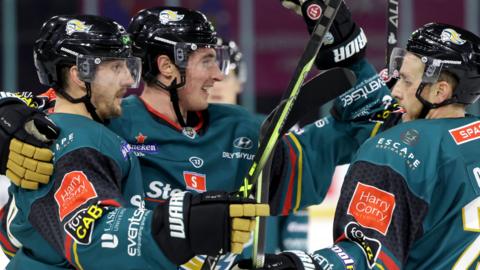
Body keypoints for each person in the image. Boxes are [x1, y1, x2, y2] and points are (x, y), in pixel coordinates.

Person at [2, 3, 399, 269]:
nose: (218, 74)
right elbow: (43, 111)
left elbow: (368, 124)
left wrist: (347, 51)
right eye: (208, 60)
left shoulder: (241, 132)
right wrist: (7, 118)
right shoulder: (106, 122)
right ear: (167, 67)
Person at [2, 14, 266, 269]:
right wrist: (176, 227)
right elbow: (92, 238)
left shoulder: (92, 128)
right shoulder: (78, 140)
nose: (129, 80)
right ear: (79, 74)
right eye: (116, 66)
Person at [236, 20, 480, 270]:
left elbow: (367, 255)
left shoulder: (396, 150)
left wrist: (303, 265)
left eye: (406, 80)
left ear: (440, 92)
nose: (395, 91)